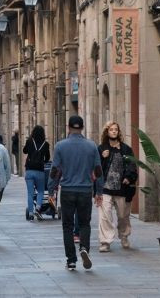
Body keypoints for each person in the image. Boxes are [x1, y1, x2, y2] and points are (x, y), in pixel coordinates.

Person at [48, 115, 103, 271]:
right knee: (85, 223)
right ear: (82, 128)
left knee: (67, 226)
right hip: (85, 190)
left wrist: (51, 189)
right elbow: (98, 170)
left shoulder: (60, 146)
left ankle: (71, 260)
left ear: (69, 127)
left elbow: (55, 170)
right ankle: (84, 247)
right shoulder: (91, 146)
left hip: (68, 190)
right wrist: (99, 191)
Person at [97, 121, 137, 252]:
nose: (114, 131)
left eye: (116, 129)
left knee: (123, 216)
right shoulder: (102, 148)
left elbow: (132, 165)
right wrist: (102, 158)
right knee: (105, 216)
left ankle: (124, 236)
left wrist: (128, 177)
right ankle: (105, 241)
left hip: (122, 189)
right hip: (106, 188)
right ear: (107, 132)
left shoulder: (126, 149)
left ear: (118, 132)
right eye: (111, 129)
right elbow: (96, 169)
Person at [23, 125, 51, 221]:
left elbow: (24, 151)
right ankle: (38, 208)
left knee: (30, 193)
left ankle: (30, 213)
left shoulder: (29, 141)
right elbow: (47, 158)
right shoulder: (46, 144)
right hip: (40, 170)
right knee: (41, 191)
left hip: (29, 170)